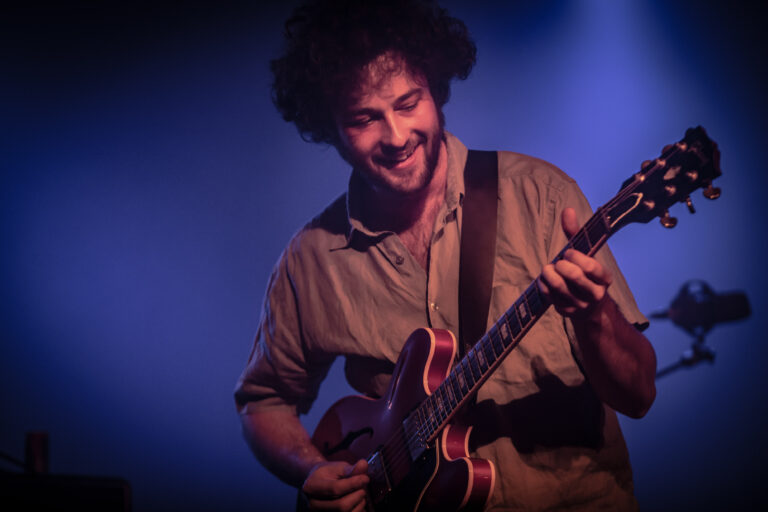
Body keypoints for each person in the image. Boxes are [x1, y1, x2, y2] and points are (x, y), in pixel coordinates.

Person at [234, 1, 657, 510]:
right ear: (332, 131)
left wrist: (594, 318)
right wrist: (312, 469)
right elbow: (264, 402)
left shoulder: (539, 197)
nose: (395, 136)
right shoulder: (312, 259)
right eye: (365, 119)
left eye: (408, 103)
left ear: (435, 90)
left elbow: (639, 397)